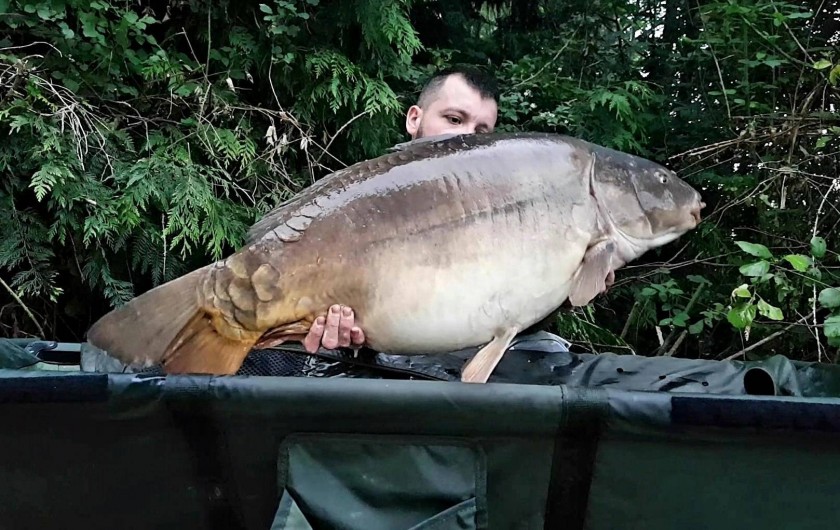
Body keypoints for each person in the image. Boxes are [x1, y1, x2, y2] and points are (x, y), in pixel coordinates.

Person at [299, 66, 501, 355]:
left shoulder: (496, 217)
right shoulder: (357, 201)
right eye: (454, 119)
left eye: (482, 132)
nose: (466, 138)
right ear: (414, 118)